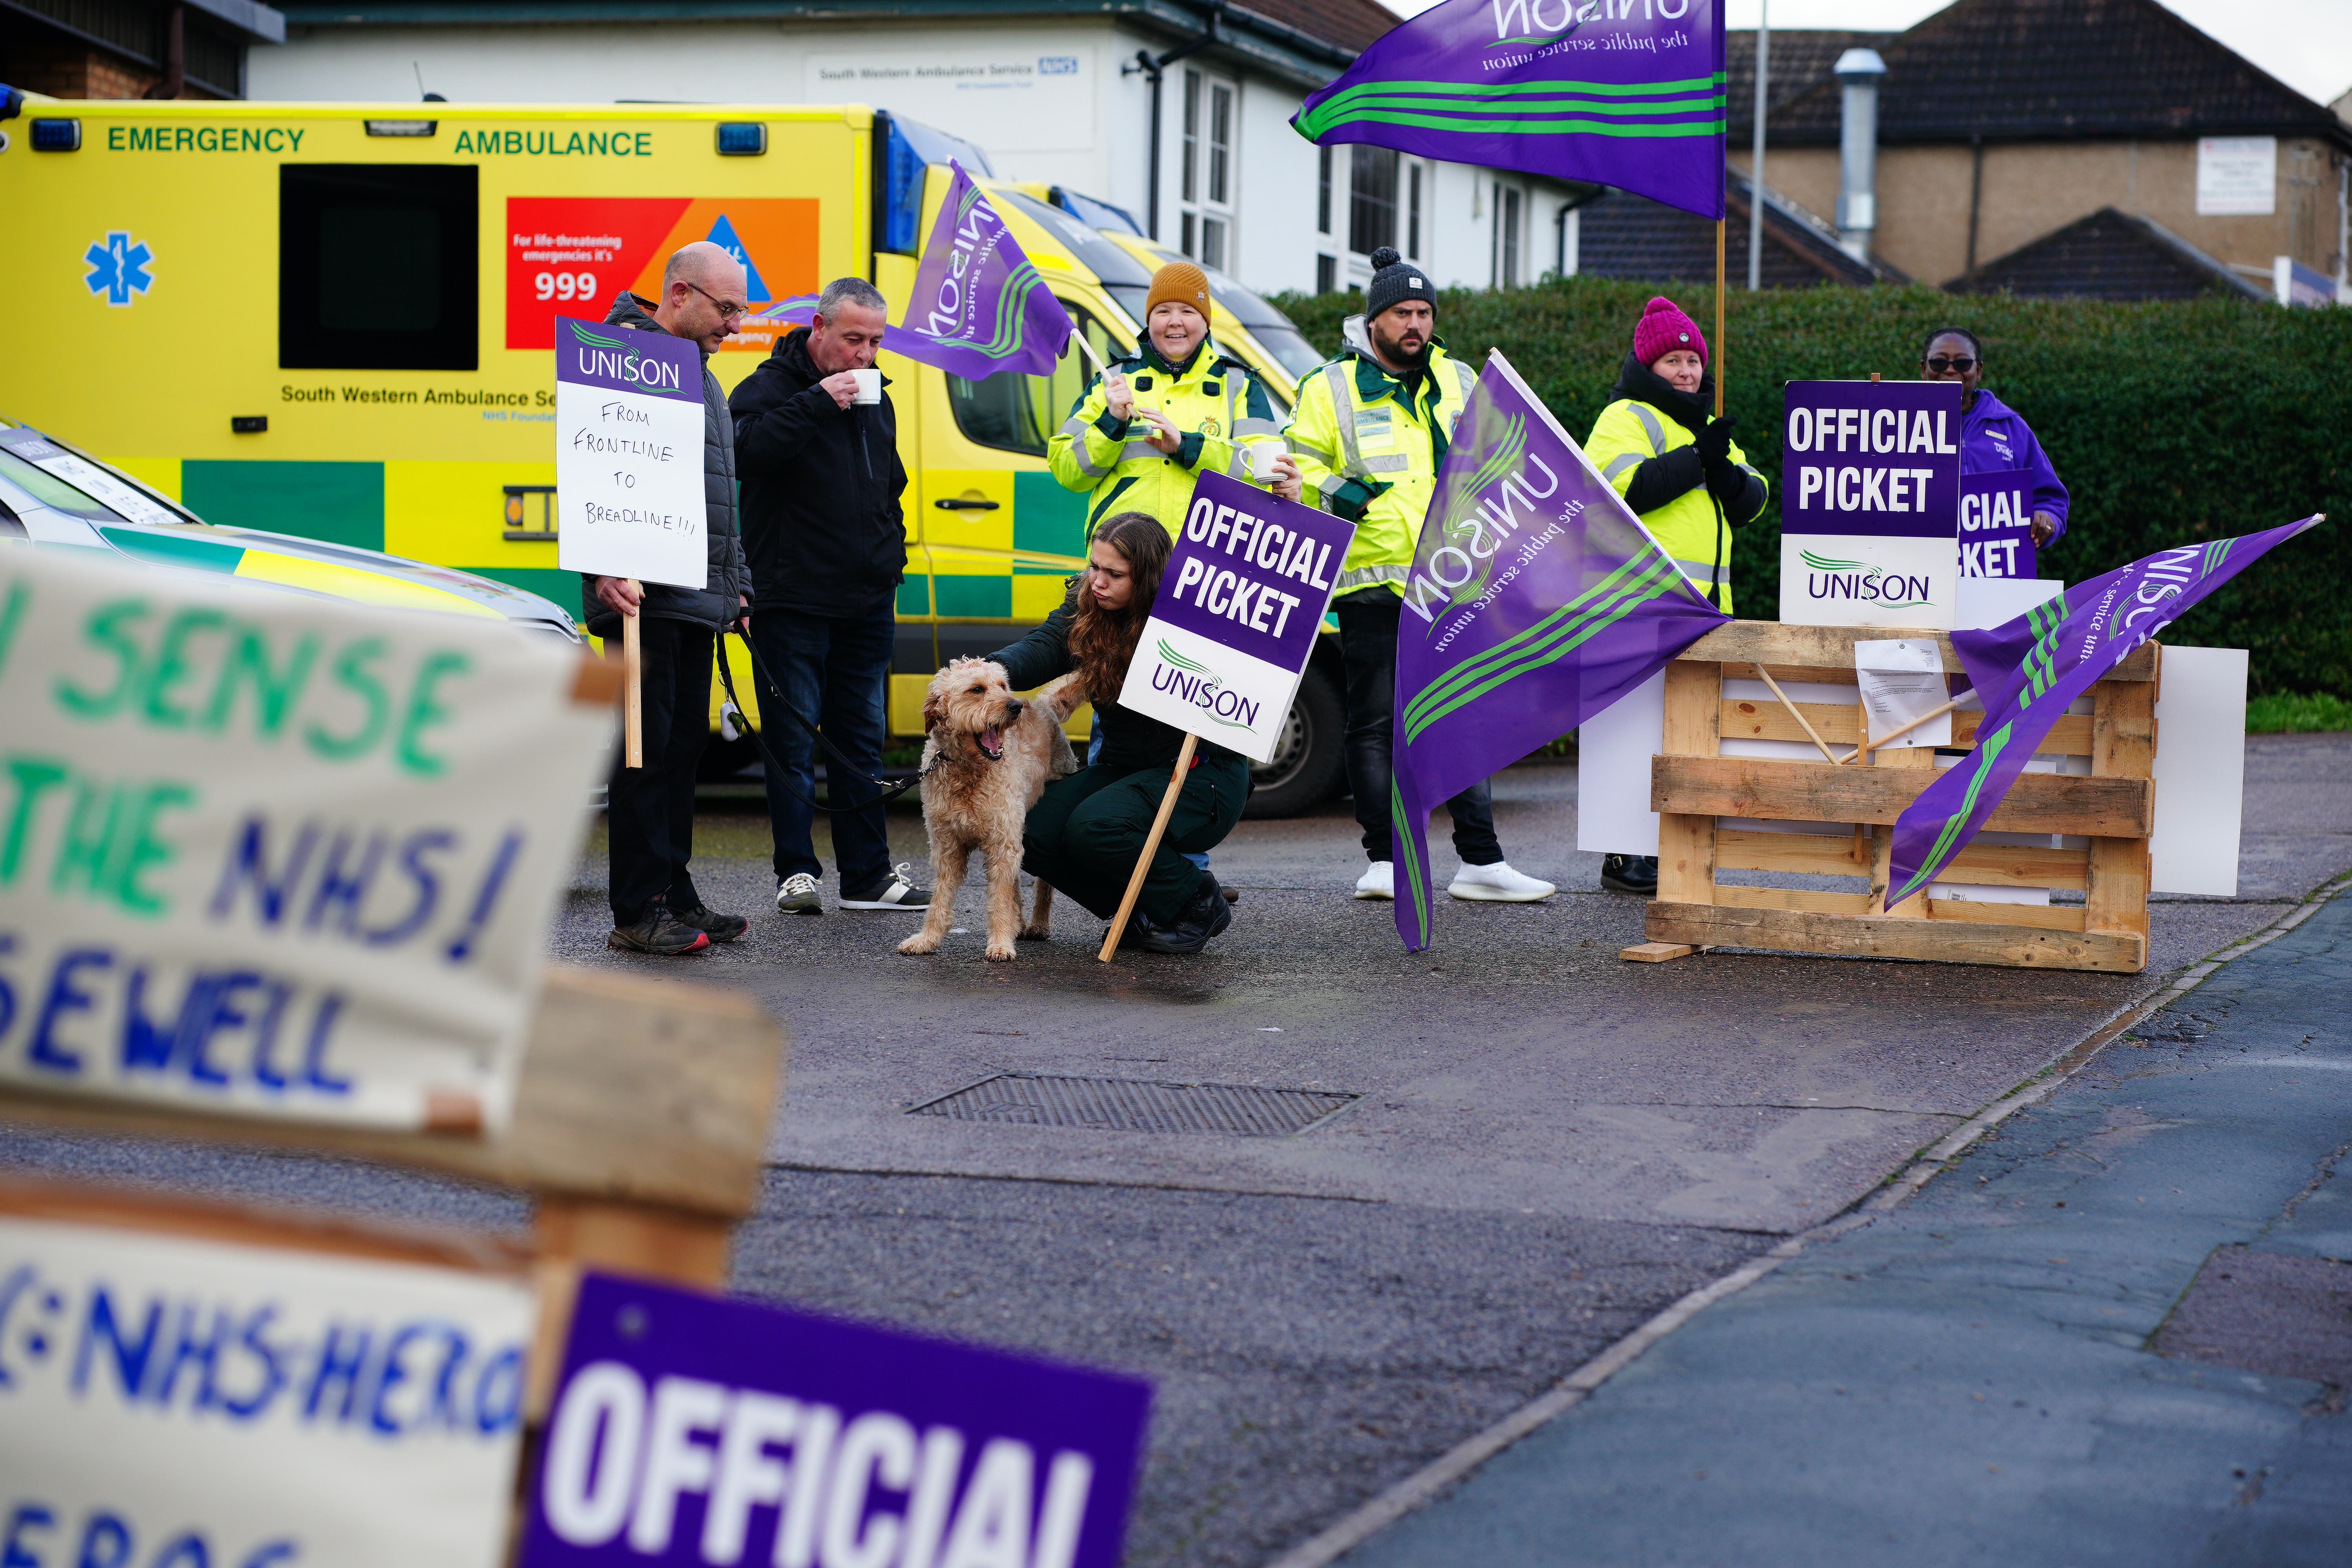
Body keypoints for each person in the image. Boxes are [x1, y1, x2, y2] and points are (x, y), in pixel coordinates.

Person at [1285, 246, 1555, 906]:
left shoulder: (1461, 378)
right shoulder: (1329, 386)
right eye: (1402, 312)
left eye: (1424, 312)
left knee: (1465, 712)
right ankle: (1384, 859)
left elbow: (1504, 457)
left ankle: (1481, 861)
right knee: (1376, 722)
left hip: (1458, 576)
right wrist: (1340, 496)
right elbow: (1295, 468)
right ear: (1374, 320)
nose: (1415, 324)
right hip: (1373, 579)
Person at [1046, 259, 1296, 902]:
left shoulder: (1238, 385)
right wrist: (1110, 421)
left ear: (1204, 319)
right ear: (1148, 320)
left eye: (1187, 311)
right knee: (1121, 736)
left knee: (1195, 741)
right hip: (1124, 594)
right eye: (1163, 311)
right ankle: (1139, 873)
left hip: (1201, 588)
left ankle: (1181, 873)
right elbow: (1066, 466)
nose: (1175, 321)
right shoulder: (1116, 381)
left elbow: (1266, 469)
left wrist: (1190, 446)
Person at [729, 277, 931, 918]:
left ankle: (867, 875)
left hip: (866, 596)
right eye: (852, 340)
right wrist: (818, 402)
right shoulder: (767, 387)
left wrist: (889, 556)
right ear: (818, 328)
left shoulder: (880, 396)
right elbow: (743, 455)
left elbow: (886, 485)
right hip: (791, 598)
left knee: (862, 739)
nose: (864, 355)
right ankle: (796, 872)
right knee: (791, 740)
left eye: (874, 342)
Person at [584, 241, 754, 955]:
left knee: (682, 753)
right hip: (640, 597)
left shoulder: (701, 375)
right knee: (644, 756)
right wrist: (603, 566)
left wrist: (736, 585)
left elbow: (723, 496)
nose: (736, 324)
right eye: (726, 308)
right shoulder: (621, 355)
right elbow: (593, 462)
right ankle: (638, 909)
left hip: (694, 594)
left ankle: (674, 893)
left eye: (741, 309)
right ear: (679, 294)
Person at [986, 512, 1242, 954]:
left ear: (1147, 578)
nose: (1097, 581)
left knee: (1095, 825)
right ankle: (1141, 908)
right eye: (1094, 567)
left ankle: (1197, 903)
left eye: (1114, 574)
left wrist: (1290, 502)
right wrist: (991, 672)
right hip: (1129, 767)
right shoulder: (1088, 603)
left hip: (1204, 776)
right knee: (1034, 824)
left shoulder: (1193, 615)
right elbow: (1047, 644)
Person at [1584, 296, 1768, 897]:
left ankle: (1671, 848)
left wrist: (1723, 469)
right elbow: (1625, 491)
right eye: (1674, 361)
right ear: (1649, 365)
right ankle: (1624, 855)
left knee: (1687, 732)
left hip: (1705, 607)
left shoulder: (1704, 426)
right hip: (1643, 603)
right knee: (1636, 732)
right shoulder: (1624, 417)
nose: (1688, 371)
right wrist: (1699, 459)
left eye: (1694, 359)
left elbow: (1753, 503)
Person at [1920, 326, 2068, 549]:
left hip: (1992, 571)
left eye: (1962, 363)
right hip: (1922, 571)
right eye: (1939, 363)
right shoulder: (1899, 424)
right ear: (1924, 370)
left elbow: (2051, 500)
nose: (1950, 371)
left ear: (1978, 371)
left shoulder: (2011, 427)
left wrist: (2048, 518)